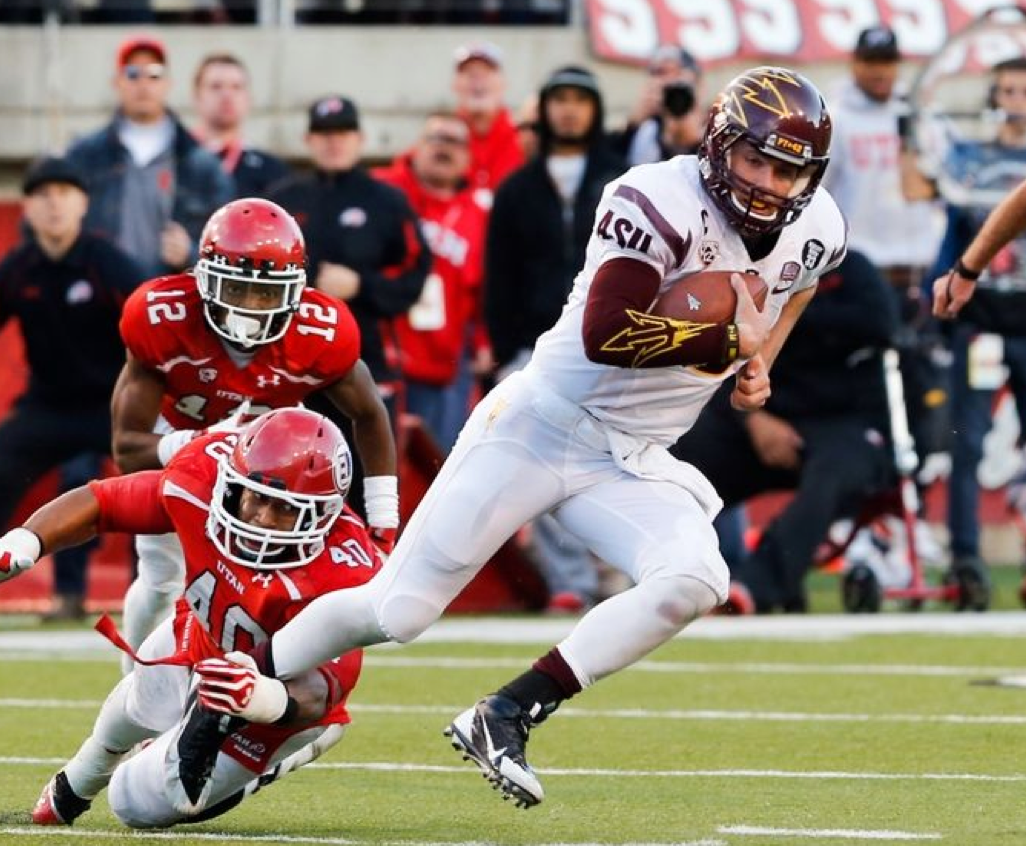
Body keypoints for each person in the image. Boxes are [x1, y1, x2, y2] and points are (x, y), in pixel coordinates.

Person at [186, 66, 846, 809]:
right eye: (756, 160)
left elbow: (798, 287)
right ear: (718, 147)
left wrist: (758, 360)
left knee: (695, 579)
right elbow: (605, 333)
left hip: (630, 458)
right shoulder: (656, 199)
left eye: (788, 170)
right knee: (397, 610)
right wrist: (718, 335)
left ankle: (507, 712)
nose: (768, 183)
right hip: (541, 423)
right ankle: (229, 687)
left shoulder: (819, 226)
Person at [0, 408, 384, 828]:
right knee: (141, 692)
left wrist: (261, 699)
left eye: (286, 509)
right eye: (257, 497)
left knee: (133, 805)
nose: (264, 520)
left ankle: (283, 754)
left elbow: (327, 686)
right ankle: (76, 782)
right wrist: (27, 540)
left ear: (326, 515)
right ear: (234, 483)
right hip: (200, 638)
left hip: (268, 706)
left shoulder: (343, 571)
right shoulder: (202, 479)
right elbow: (103, 501)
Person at [112, 197, 397, 668]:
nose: (249, 309)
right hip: (180, 456)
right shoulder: (162, 319)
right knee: (163, 578)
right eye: (238, 289)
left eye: (265, 294)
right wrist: (201, 444)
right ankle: (135, 673)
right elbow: (127, 450)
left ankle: (267, 692)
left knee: (267, 586)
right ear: (204, 277)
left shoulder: (320, 332)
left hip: (267, 476)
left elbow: (368, 413)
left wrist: (384, 518)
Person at [671, 250, 899, 613]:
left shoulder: (852, 269)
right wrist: (753, 421)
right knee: (684, 462)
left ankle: (751, 586)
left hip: (845, 422)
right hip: (765, 416)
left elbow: (882, 325)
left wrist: (792, 313)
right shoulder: (742, 278)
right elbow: (719, 360)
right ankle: (669, 581)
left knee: (831, 475)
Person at [485, 65, 625, 612]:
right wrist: (505, 350)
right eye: (558, 99)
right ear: (542, 109)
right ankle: (569, 580)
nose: (568, 110)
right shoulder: (517, 190)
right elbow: (500, 278)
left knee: (617, 461)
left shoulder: (622, 178)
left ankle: (616, 573)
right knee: (540, 467)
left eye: (579, 99)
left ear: (595, 109)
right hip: (536, 349)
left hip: (616, 346)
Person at [0, 156, 146, 620]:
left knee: (154, 480)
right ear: (28, 208)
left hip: (113, 406)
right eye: (43, 195)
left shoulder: (108, 263)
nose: (54, 205)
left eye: (65, 194)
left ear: (84, 204)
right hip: (47, 406)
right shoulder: (19, 267)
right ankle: (57, 595)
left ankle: (157, 594)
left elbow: (148, 329)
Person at [920, 57, 1026, 585]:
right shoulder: (971, 160)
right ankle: (965, 557)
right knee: (970, 439)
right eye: (1008, 90)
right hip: (984, 323)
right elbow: (946, 226)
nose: (1016, 101)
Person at [268, 95, 431, 428]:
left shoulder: (387, 201)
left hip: (368, 358)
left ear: (360, 139)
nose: (334, 142)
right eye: (325, 133)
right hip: (291, 365)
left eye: (343, 133)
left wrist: (361, 285)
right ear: (308, 140)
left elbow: (416, 272)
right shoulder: (283, 200)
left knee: (371, 471)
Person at [65, 35, 233, 279]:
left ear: (168, 83)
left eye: (154, 74)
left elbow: (231, 246)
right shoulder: (84, 156)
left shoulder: (202, 164)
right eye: (133, 73)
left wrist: (190, 253)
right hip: (99, 300)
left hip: (172, 300)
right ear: (117, 82)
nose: (143, 83)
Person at [372, 111, 490, 452]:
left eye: (455, 142)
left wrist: (483, 340)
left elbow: (487, 288)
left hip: (442, 364)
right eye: (435, 138)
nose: (444, 148)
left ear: (468, 157)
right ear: (417, 147)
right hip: (381, 355)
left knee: (434, 465)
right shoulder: (383, 189)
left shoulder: (479, 213)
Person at [191, 52, 291, 199]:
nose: (227, 95)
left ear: (249, 99)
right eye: (216, 86)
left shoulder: (271, 170)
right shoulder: (173, 162)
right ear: (196, 97)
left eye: (236, 87)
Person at [451, 41, 525, 208]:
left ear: (503, 83)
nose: (477, 81)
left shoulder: (525, 140)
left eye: (486, 73)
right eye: (469, 73)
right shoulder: (439, 142)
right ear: (455, 85)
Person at [611, 45, 704, 167]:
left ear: (699, 85)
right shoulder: (642, 129)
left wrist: (696, 144)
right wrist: (630, 128)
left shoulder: (716, 125)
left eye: (678, 72)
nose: (669, 80)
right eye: (660, 72)